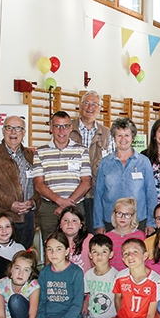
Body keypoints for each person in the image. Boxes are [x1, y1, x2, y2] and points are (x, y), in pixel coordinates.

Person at [0, 114, 39, 249]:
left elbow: (40, 184)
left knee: (23, 260)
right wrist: (10, 204)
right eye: (9, 128)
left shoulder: (32, 156)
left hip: (27, 218)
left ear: (24, 132)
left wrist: (33, 202)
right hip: (1, 218)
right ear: (3, 131)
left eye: (18, 129)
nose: (13, 132)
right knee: (0, 263)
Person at [23, 231, 84, 318]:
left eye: (58, 249)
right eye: (49, 250)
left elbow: (77, 305)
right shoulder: (44, 273)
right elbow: (42, 301)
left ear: (67, 251)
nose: (53, 253)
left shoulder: (76, 273)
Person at [93, 117, 157, 235]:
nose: (123, 139)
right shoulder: (105, 163)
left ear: (133, 137)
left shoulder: (143, 162)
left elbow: (151, 193)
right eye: (119, 135)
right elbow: (98, 194)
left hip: (138, 220)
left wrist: (151, 222)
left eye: (127, 135)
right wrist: (98, 223)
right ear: (114, 138)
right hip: (110, 222)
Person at [33, 110, 92, 237]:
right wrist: (59, 201)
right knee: (51, 247)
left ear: (70, 128)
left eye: (65, 126)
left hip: (75, 206)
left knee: (76, 247)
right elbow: (38, 184)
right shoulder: (40, 152)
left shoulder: (81, 151)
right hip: (50, 209)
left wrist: (67, 204)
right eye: (57, 126)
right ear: (51, 128)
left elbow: (86, 183)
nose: (61, 131)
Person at [69, 234, 119, 318]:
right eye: (95, 252)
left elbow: (120, 300)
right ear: (90, 255)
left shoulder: (116, 276)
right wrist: (85, 304)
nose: (99, 256)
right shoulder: (89, 274)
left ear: (111, 254)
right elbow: (88, 294)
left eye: (104, 252)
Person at [69, 90, 114, 222]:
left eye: (94, 104)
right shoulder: (68, 129)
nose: (90, 108)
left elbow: (111, 166)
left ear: (100, 109)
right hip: (72, 193)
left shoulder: (107, 133)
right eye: (87, 103)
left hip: (96, 194)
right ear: (80, 106)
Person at [105, 197, 147, 272]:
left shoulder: (140, 235)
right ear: (114, 214)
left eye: (127, 214)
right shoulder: (107, 237)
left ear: (133, 216)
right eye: (119, 213)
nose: (122, 217)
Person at [57, 206, 92, 273]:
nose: (69, 224)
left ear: (81, 225)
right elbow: (48, 267)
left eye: (74, 221)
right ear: (60, 224)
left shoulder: (90, 240)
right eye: (65, 220)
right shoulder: (53, 240)